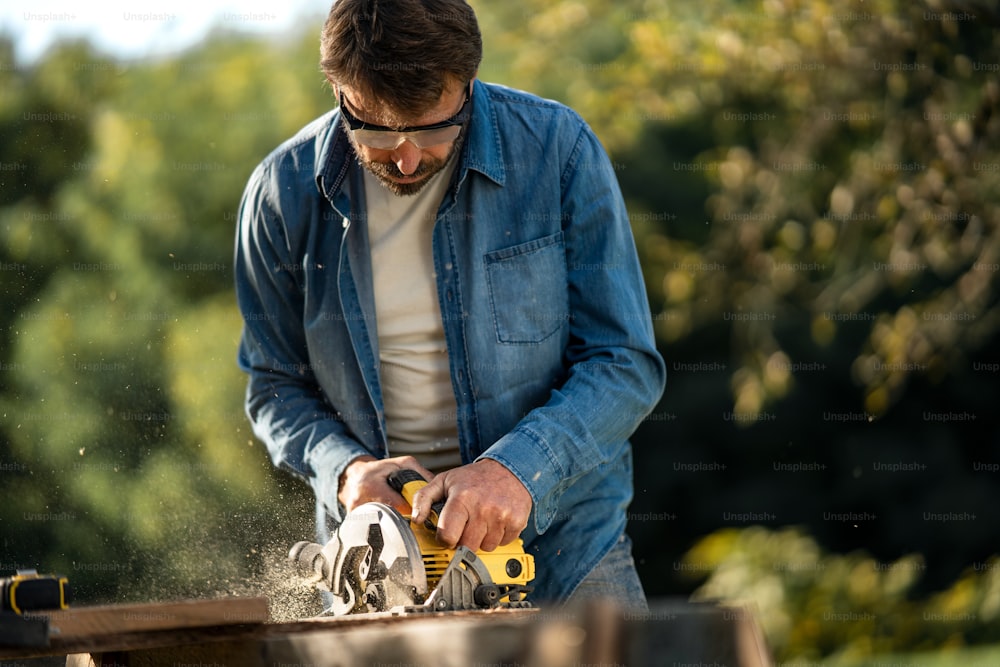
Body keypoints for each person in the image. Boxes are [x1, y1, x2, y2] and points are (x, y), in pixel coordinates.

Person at [234, 0, 666, 608]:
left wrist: (517, 470)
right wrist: (346, 471)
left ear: (468, 81)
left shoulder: (557, 150)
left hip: (565, 556)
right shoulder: (280, 194)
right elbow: (273, 383)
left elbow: (623, 362)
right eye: (376, 131)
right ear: (337, 87)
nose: (406, 158)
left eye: (431, 128)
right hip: (380, 575)